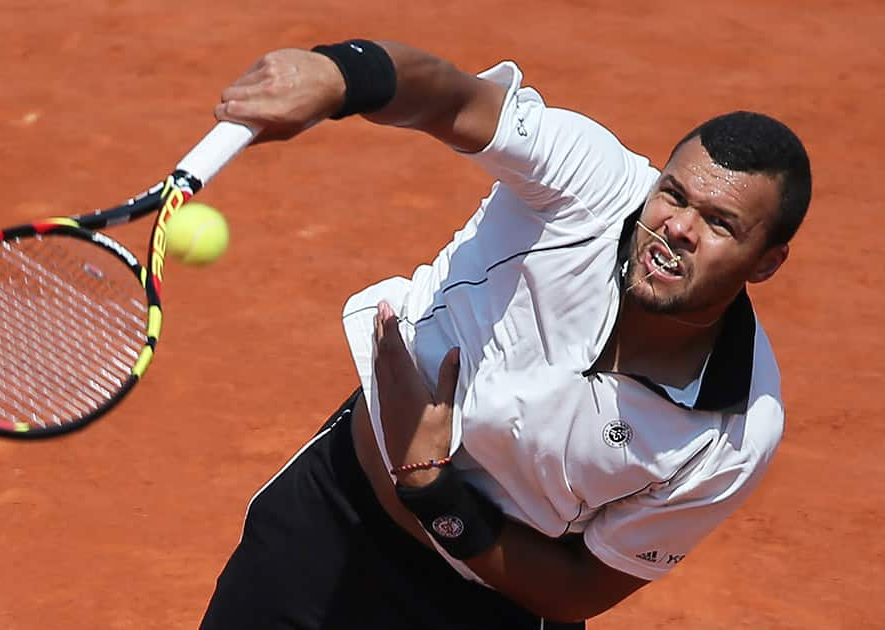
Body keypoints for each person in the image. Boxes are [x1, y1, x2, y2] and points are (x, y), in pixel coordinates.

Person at [198, 40, 812, 629]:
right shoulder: (590, 185)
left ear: (767, 262)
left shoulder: (734, 435)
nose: (677, 227)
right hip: (327, 527)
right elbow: (456, 101)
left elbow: (579, 589)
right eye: (674, 195)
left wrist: (434, 489)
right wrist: (341, 75)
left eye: (720, 224)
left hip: (480, 611)